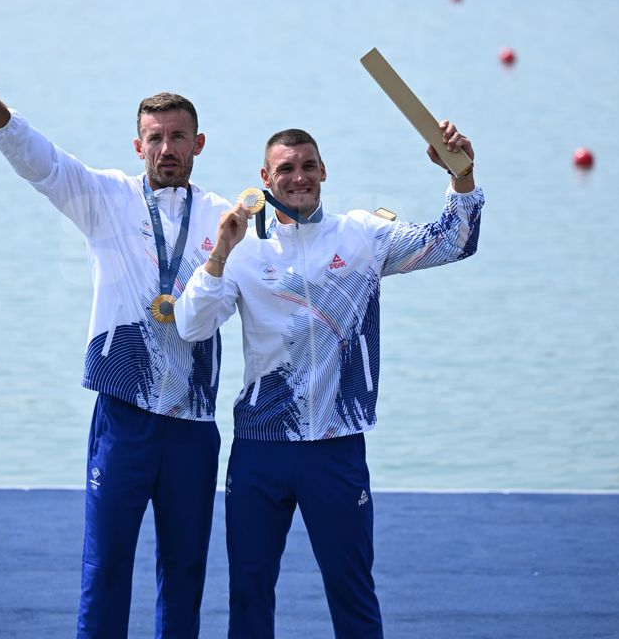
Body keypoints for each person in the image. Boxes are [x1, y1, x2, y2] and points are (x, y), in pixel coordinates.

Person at [175, 124, 484, 638]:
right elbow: (191, 326)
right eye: (286, 169)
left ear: (323, 170)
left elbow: (455, 241)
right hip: (261, 447)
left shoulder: (362, 235)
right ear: (265, 180)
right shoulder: (243, 252)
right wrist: (219, 254)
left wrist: (462, 177)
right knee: (249, 591)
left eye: (307, 166)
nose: (299, 177)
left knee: (351, 589)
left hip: (337, 447)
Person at [0, 68, 231, 639]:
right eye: (154, 138)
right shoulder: (105, 197)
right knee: (105, 566)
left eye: (177, 137)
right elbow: (46, 164)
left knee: (185, 572)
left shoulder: (225, 219)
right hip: (124, 415)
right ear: (138, 145)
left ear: (198, 144)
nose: (166, 149)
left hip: (192, 422)